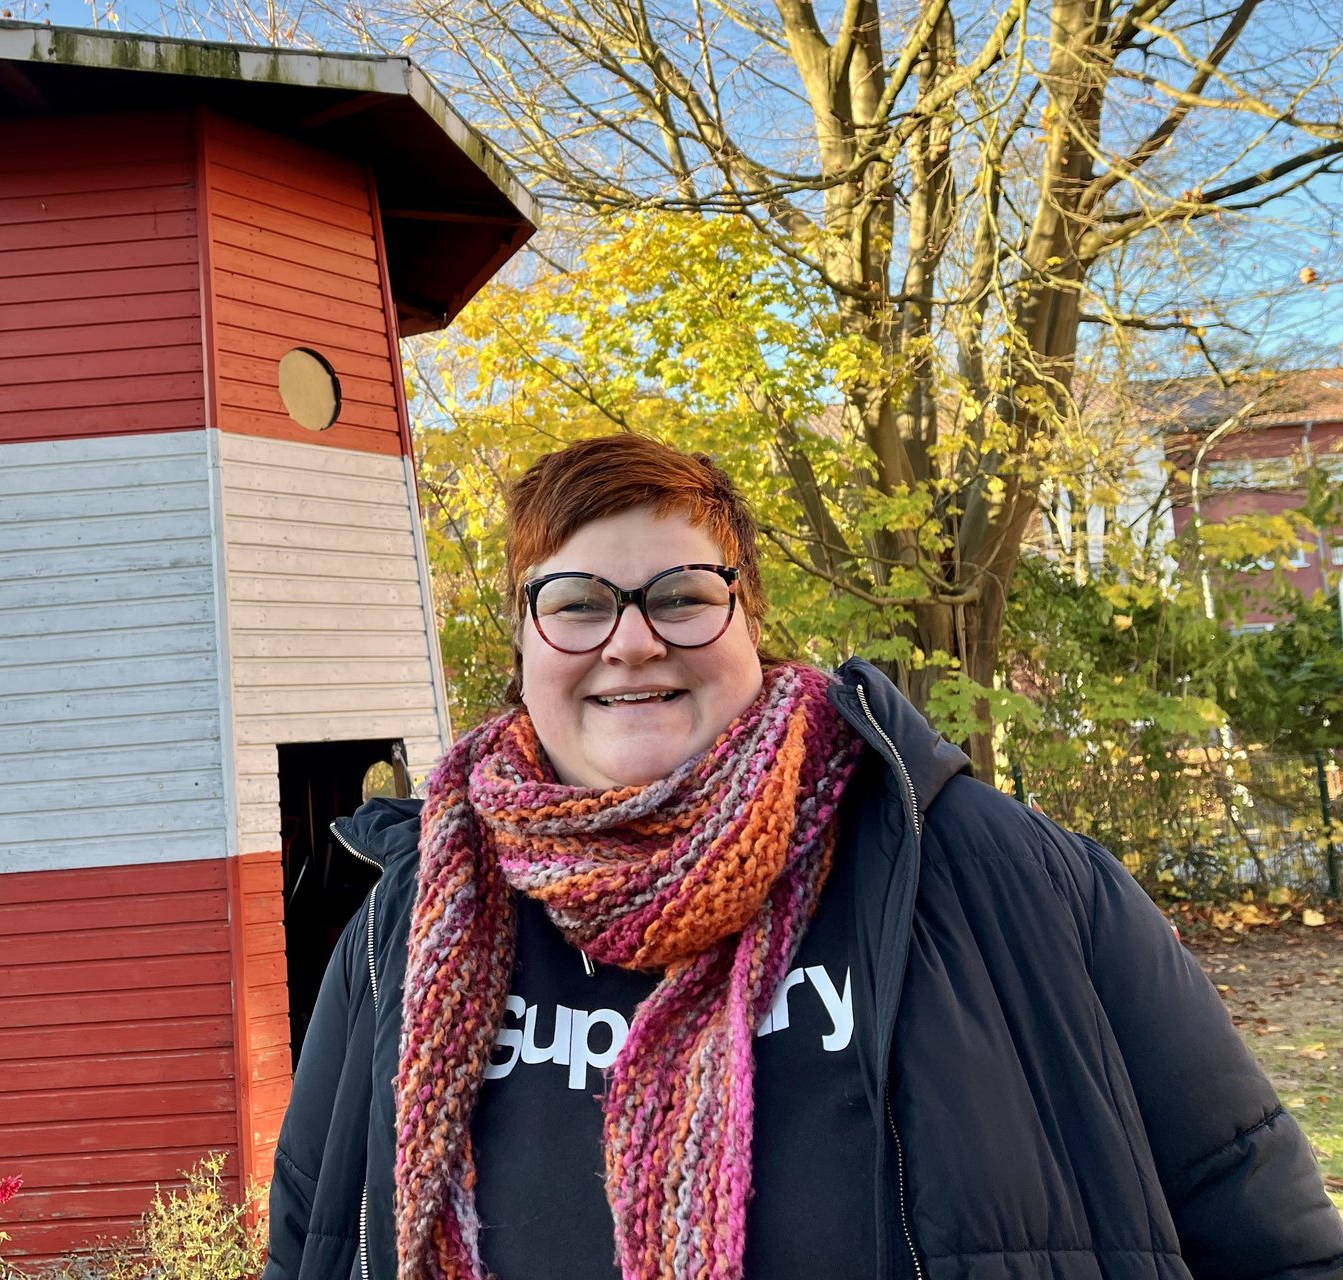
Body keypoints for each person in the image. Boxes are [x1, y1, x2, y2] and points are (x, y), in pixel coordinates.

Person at [263, 433, 1343, 1280]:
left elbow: (1253, 1213)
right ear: (522, 642)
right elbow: (314, 1233)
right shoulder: (406, 923)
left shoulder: (993, 868)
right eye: (577, 603)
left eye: (683, 594)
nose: (631, 641)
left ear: (752, 619)